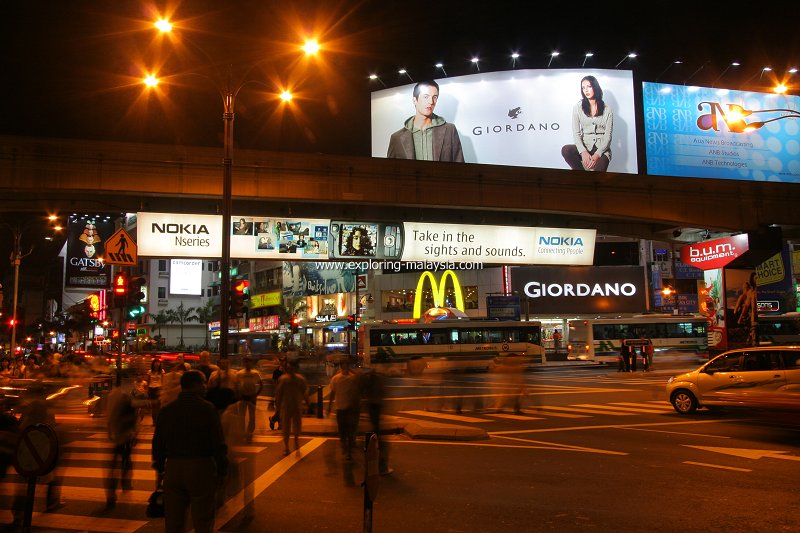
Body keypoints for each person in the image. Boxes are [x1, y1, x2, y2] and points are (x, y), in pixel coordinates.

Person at [152, 370, 228, 533]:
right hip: (201, 466)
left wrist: (159, 468)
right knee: (203, 517)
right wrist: (222, 470)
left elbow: (158, 442)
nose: (205, 387)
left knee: (173, 520)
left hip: (173, 467)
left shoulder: (168, 410)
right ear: (195, 385)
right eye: (203, 382)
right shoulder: (207, 409)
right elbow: (218, 442)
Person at [387, 80, 465, 162]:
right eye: (426, 97)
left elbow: (460, 167)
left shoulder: (450, 130)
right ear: (415, 100)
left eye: (434, 97)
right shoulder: (396, 138)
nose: (431, 102)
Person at [561, 75, 614, 172]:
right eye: (583, 87)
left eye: (589, 86)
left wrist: (597, 155)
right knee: (566, 150)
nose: (586, 90)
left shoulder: (607, 109)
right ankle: (581, 175)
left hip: (601, 149)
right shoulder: (577, 107)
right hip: (585, 145)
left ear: (595, 87)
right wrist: (583, 152)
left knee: (599, 176)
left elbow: (608, 137)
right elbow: (576, 133)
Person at [104, 386, 140, 509]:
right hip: (125, 437)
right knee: (125, 461)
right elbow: (134, 419)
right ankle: (125, 483)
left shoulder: (112, 397)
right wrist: (135, 433)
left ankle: (112, 493)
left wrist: (110, 432)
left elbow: (109, 418)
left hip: (117, 436)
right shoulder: (126, 399)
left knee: (114, 465)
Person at [327, 357, 361, 460]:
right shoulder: (336, 379)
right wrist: (329, 407)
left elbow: (359, 387)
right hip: (340, 408)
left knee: (350, 431)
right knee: (342, 430)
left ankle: (349, 452)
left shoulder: (353, 378)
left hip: (351, 409)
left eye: (347, 365)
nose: (345, 367)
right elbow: (332, 393)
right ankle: (345, 446)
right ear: (341, 366)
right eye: (344, 365)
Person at [274, 360, 308, 455]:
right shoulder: (283, 379)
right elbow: (279, 394)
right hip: (286, 407)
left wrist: (306, 403)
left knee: (297, 426)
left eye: (292, 368)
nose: (290, 369)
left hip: (296, 406)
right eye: (289, 368)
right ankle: (286, 446)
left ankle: (296, 442)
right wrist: (278, 406)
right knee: (286, 428)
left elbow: (304, 391)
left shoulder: (300, 379)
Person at [235, 356, 263, 441]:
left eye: (248, 362)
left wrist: (256, 395)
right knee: (241, 416)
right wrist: (239, 394)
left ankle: (249, 432)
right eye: (245, 362)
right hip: (243, 396)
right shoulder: (239, 373)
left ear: (251, 363)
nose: (247, 364)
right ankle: (242, 432)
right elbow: (236, 385)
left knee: (252, 416)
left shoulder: (255, 373)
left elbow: (261, 384)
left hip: (252, 396)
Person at [146, 358, 165, 425]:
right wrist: (147, 390)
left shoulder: (162, 371)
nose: (157, 364)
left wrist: (162, 389)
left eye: (158, 362)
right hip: (151, 389)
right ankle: (154, 421)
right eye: (155, 362)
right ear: (153, 364)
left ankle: (158, 420)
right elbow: (148, 381)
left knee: (159, 406)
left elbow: (163, 381)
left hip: (158, 388)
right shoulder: (150, 372)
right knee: (153, 406)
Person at [268, 358, 286, 431]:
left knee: (282, 410)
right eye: (281, 361)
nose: (282, 363)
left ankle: (275, 421)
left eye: (284, 361)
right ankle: (275, 421)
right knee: (280, 409)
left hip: (286, 393)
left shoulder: (287, 371)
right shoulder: (276, 372)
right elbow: (274, 382)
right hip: (279, 393)